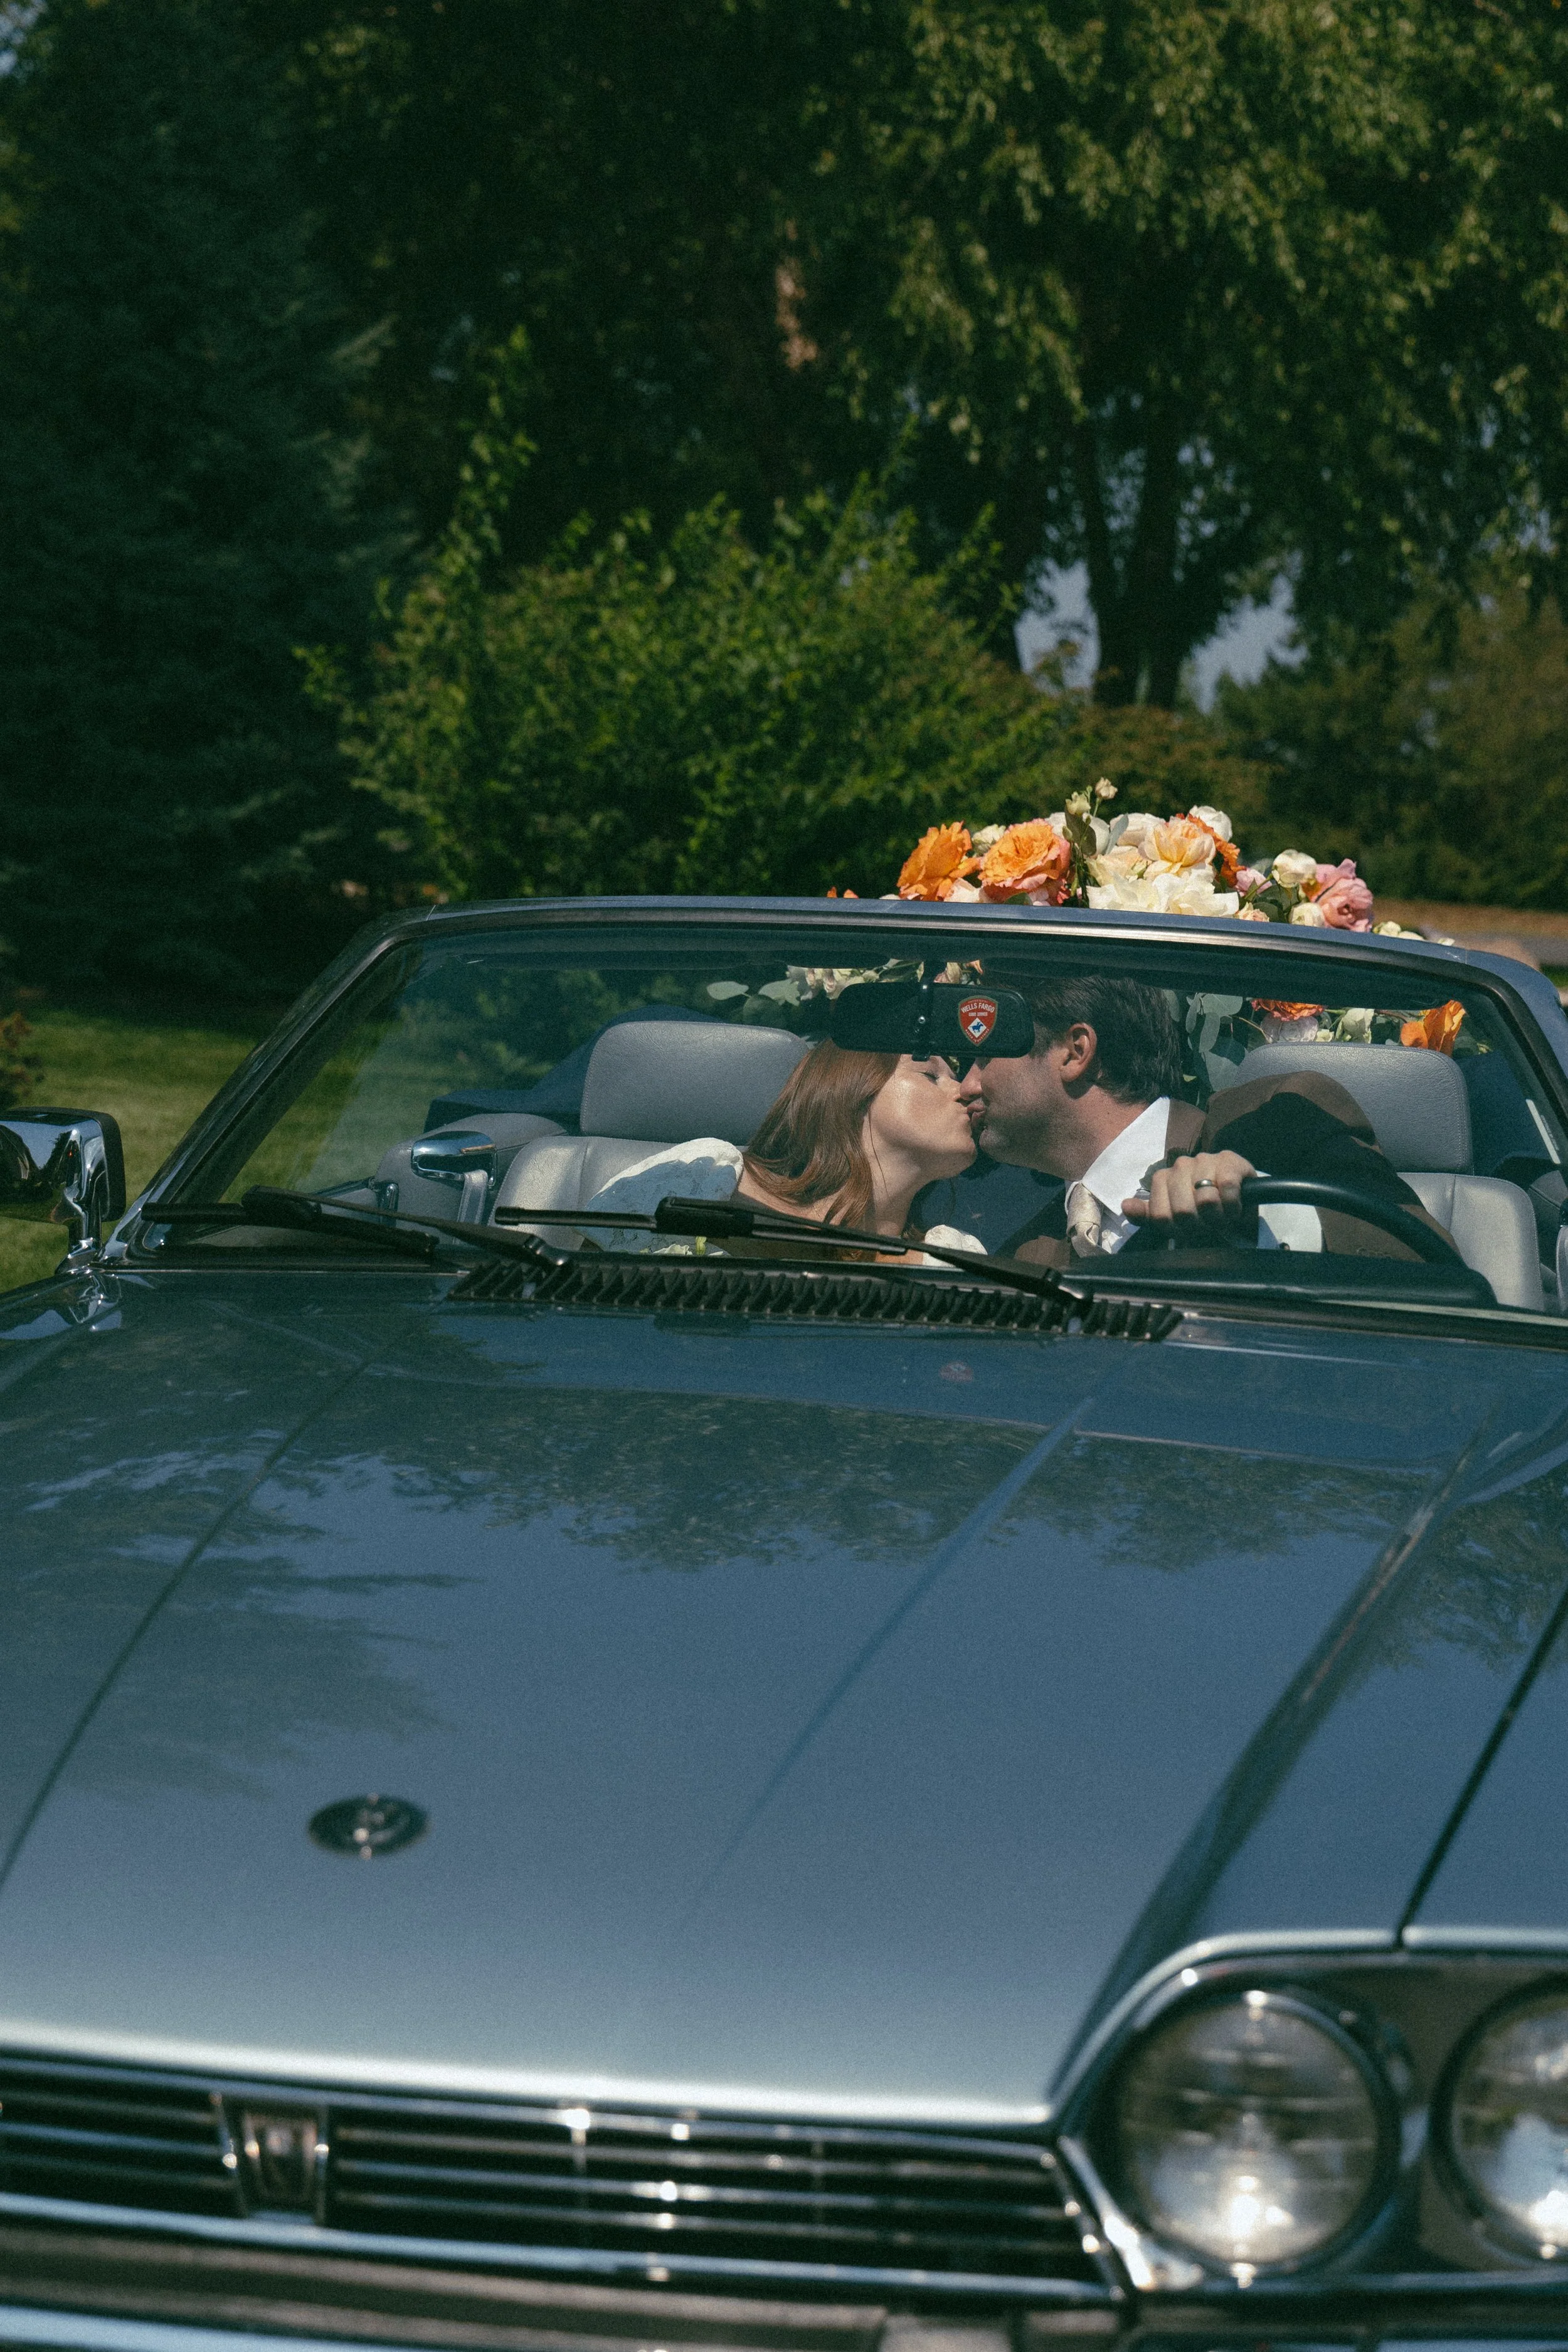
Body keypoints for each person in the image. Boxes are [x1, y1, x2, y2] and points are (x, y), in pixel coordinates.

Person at [955, 975, 1441, 1266]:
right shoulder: (1029, 1251)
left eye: (983, 1058)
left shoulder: (1275, 1118)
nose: (967, 1086)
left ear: (1075, 1052)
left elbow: (1434, 1268)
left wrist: (1260, 1211)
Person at [585, 1041, 983, 1259]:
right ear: (850, 1091)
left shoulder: (951, 1259)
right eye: (931, 1075)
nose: (965, 1090)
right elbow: (576, 1307)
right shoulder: (707, 1175)